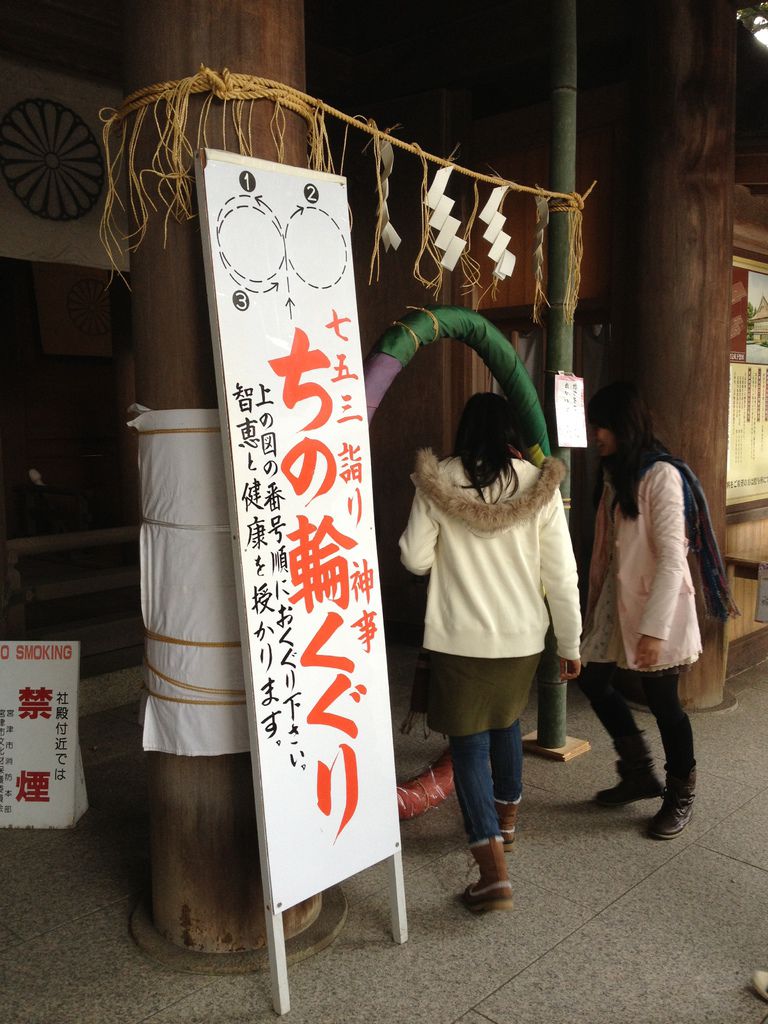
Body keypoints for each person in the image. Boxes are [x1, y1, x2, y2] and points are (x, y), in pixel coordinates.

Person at [399, 392, 582, 912]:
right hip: (523, 639)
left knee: (468, 747)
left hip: (459, 640)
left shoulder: (438, 481)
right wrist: (569, 643)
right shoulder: (538, 484)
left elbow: (413, 559)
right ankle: (506, 824)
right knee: (505, 721)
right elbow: (562, 575)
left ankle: (492, 873)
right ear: (511, 433)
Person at [579, 381, 737, 839]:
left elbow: (673, 557)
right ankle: (638, 772)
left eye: (602, 425)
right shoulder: (617, 474)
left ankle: (680, 793)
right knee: (592, 678)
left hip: (658, 605)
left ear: (623, 426)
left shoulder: (661, 475)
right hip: (617, 599)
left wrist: (653, 630)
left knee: (665, 703)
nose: (596, 435)